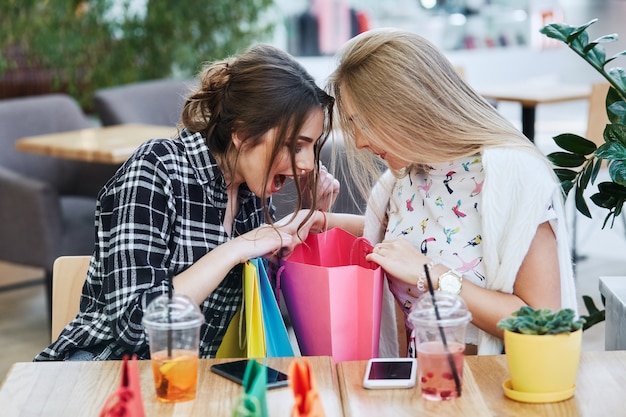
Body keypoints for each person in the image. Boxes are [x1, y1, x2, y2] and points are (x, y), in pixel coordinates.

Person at [35, 44, 337, 361]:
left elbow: (261, 310)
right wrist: (234, 249)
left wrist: (304, 229)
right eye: (296, 146)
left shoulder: (250, 196)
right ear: (243, 135)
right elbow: (136, 325)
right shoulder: (157, 168)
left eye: (312, 147)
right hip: (104, 373)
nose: (307, 164)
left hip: (184, 382)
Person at [322, 28, 578, 356]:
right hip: (423, 389)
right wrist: (324, 222)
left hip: (490, 393)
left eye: (365, 122)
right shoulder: (403, 177)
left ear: (408, 106)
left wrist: (434, 276)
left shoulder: (512, 177)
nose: (358, 141)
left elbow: (543, 322)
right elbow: (424, 237)